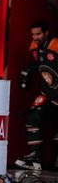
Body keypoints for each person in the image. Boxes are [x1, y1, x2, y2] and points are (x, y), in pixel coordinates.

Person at [15, 20, 58, 171]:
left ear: (46, 33)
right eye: (33, 34)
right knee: (33, 116)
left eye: (38, 34)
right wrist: (27, 73)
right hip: (47, 95)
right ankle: (34, 158)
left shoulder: (56, 45)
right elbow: (35, 63)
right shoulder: (34, 47)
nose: (35, 37)